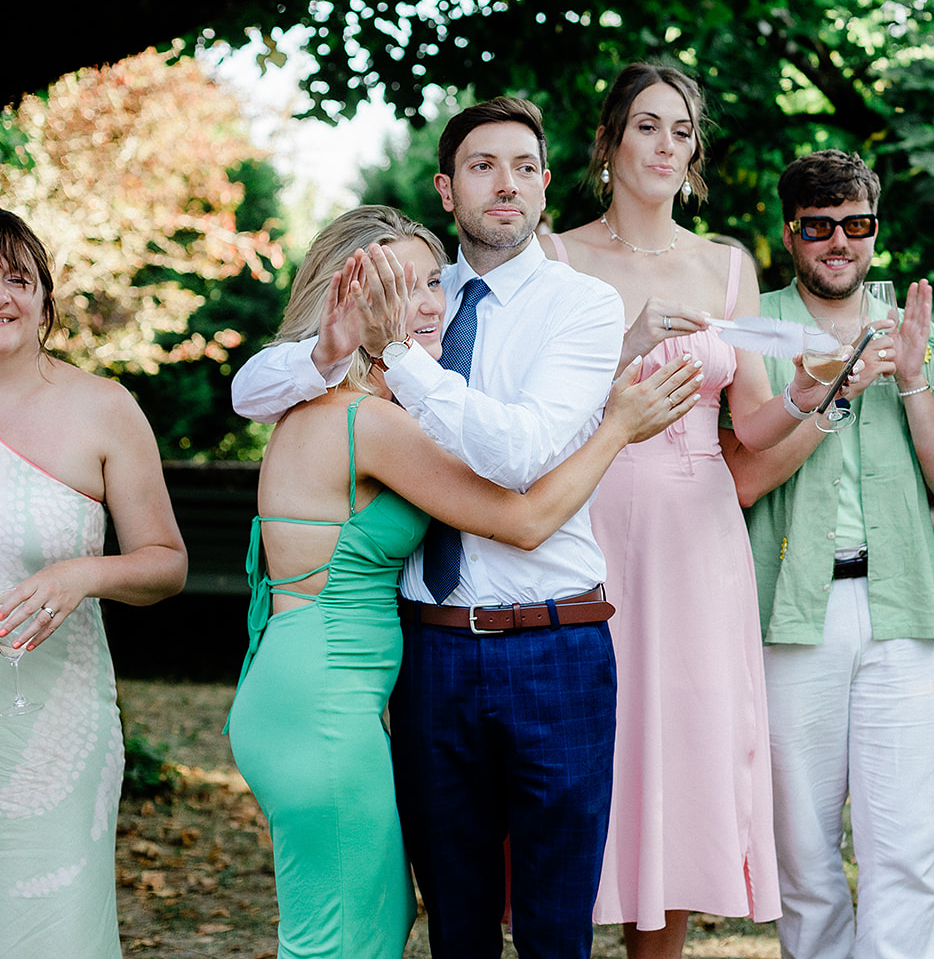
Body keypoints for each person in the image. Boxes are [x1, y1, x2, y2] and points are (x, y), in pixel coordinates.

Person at [226, 206, 700, 958]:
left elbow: (511, 426)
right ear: (344, 298)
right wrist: (616, 426)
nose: (425, 304)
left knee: (370, 926)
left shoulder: (332, 401)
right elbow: (524, 518)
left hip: (307, 692)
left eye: (431, 283)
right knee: (342, 939)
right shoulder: (366, 421)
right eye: (398, 286)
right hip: (321, 707)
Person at [545, 65, 822, 956]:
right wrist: (627, 348)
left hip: (701, 543)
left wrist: (813, 390)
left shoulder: (727, 263)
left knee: (682, 758)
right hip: (590, 527)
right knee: (596, 752)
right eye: (647, 126)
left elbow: (756, 419)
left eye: (682, 130)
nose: (666, 145)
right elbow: (536, 415)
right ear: (609, 143)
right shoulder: (555, 256)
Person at [723, 148, 934, 959]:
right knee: (804, 855)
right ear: (790, 233)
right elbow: (742, 478)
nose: (839, 241)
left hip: (902, 611)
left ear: (876, 229)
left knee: (906, 850)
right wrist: (836, 396)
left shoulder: (919, 333)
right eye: (819, 226)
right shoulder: (754, 327)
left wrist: (909, 378)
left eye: (856, 224)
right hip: (791, 614)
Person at [0, 209, 188, 956]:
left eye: (20, 279)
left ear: (45, 302)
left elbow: (166, 560)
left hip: (55, 732)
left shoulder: (104, 408)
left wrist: (85, 573)